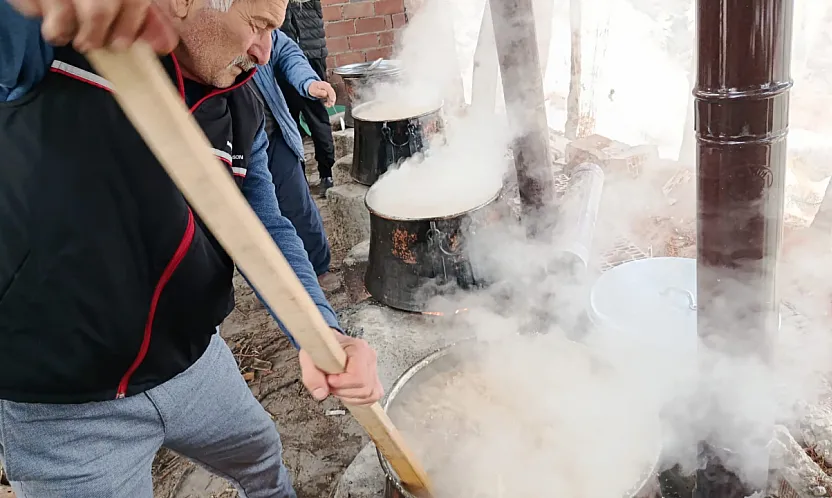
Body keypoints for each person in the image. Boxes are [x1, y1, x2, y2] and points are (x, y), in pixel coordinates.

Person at [0, 1, 383, 498]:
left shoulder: (239, 106)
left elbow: (264, 226)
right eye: (256, 26)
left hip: (196, 363)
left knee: (262, 458)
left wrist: (323, 333)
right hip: (66, 413)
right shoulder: (54, 49)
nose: (264, 54)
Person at [251, 29, 341, 291]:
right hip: (233, 144)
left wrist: (309, 82)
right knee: (253, 220)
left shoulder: (253, 16)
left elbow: (284, 49)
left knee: (297, 206)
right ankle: (274, 284)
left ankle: (318, 269)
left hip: (273, 134)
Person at [278, 0, 337, 195]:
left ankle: (326, 173)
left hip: (309, 51)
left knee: (316, 116)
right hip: (283, 54)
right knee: (288, 118)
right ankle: (299, 177)